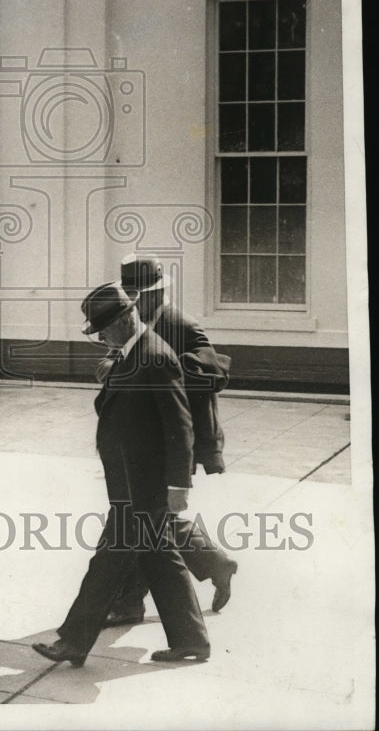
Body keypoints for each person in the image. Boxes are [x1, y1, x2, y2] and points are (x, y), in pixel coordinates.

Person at [33, 283, 210, 667]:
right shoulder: (132, 353)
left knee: (108, 562)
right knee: (161, 560)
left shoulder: (156, 357)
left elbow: (179, 427)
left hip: (143, 487)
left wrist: (179, 484)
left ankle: (73, 642)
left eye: (105, 327)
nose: (101, 336)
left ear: (128, 317)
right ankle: (192, 640)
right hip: (129, 481)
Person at [101, 254, 237, 627]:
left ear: (154, 293)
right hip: (146, 436)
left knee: (141, 518)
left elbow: (215, 373)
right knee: (150, 518)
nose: (129, 304)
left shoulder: (182, 325)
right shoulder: (141, 323)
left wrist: (159, 367)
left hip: (177, 437)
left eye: (135, 296)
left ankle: (130, 602)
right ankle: (215, 563)